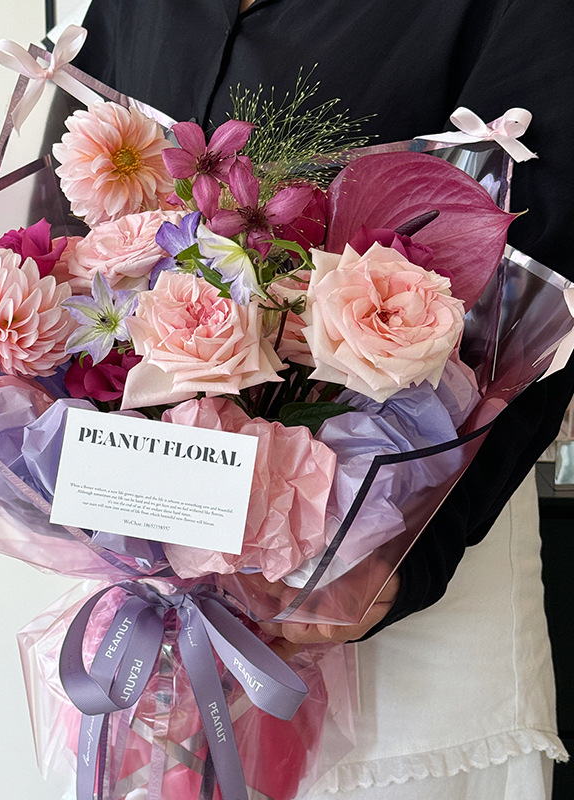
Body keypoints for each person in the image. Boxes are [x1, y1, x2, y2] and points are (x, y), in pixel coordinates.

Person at [68, 0, 574, 797]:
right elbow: (65, 242)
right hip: (149, 588)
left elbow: (540, 296)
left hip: (383, 579)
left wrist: (401, 557)